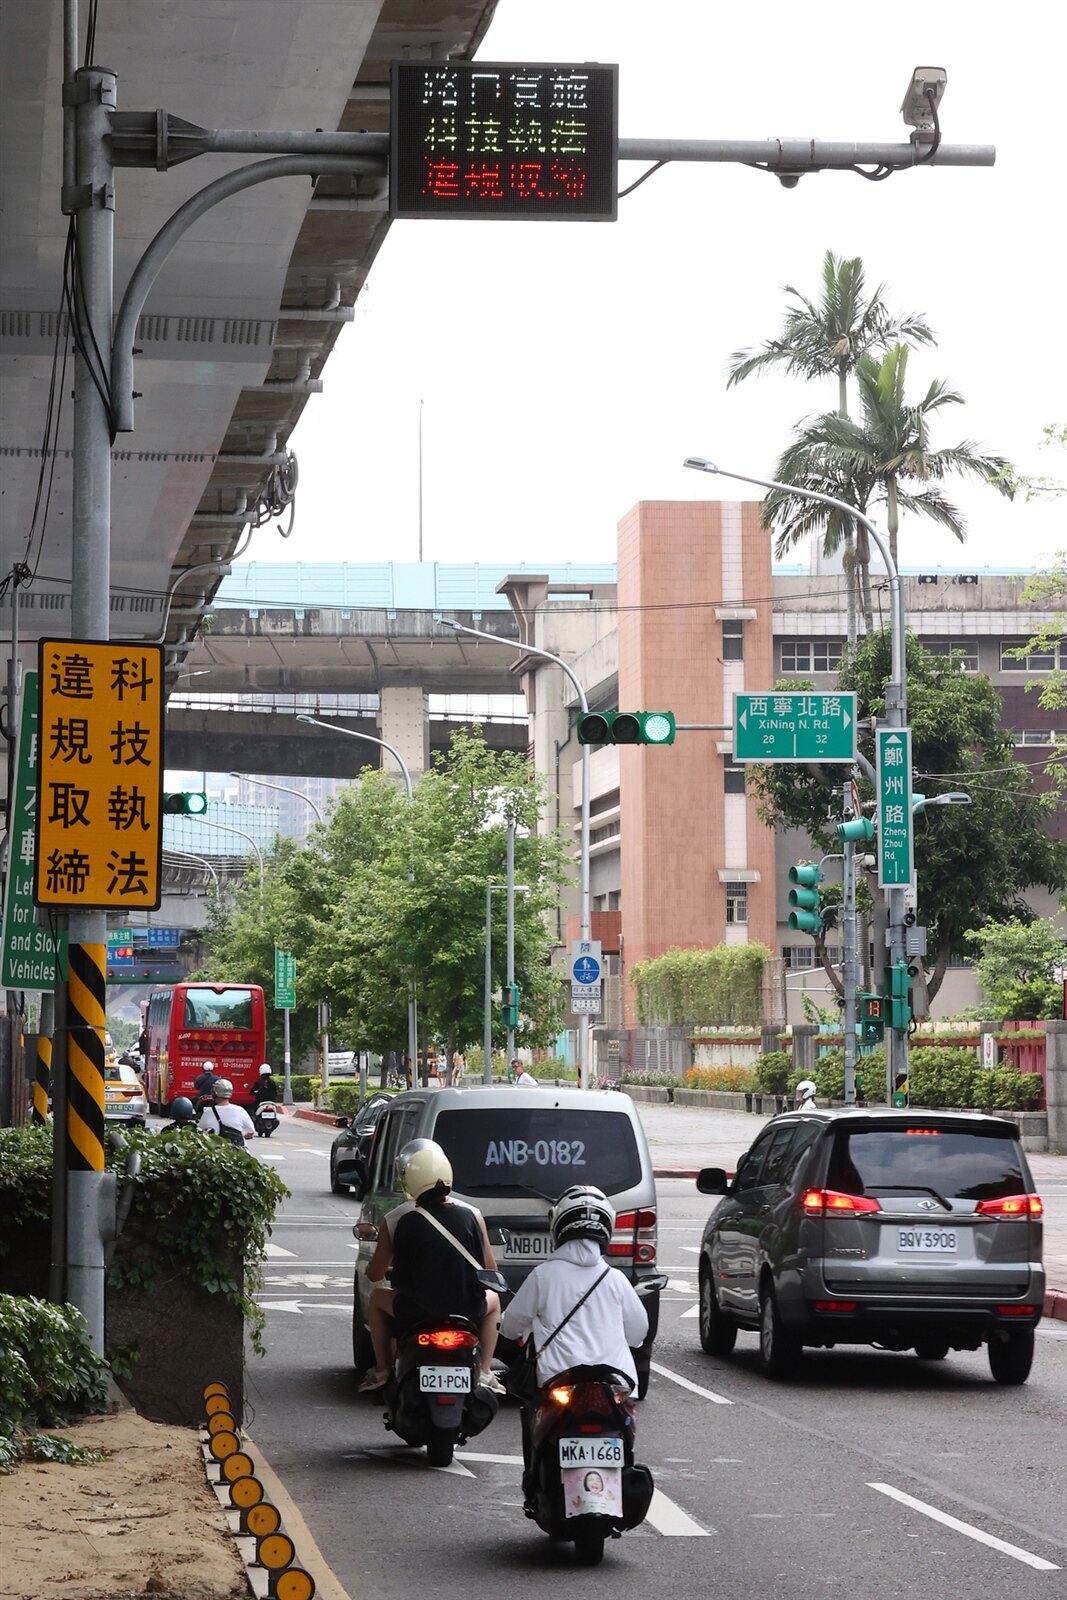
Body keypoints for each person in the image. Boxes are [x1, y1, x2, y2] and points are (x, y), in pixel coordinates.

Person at [500, 1185, 648, 1472]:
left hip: (556, 1383)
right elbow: (638, 1333)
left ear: (558, 1226)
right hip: (615, 1385)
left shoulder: (543, 1276)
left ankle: (533, 1477)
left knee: (532, 1413)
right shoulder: (616, 1279)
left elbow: (510, 1326)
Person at [358, 1138, 504, 1396]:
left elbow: (376, 1273)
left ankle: (382, 1370)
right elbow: (489, 1269)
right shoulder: (472, 1214)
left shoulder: (396, 1219)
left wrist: (379, 1270)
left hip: (415, 1310)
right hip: (467, 1308)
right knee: (494, 1301)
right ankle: (484, 1371)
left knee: (377, 1297)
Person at [196, 1077, 255, 1143]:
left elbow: (199, 1131)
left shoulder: (208, 1112)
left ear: (214, 1093)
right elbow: (251, 1131)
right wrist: (242, 1138)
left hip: (217, 1148)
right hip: (238, 1147)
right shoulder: (240, 1110)